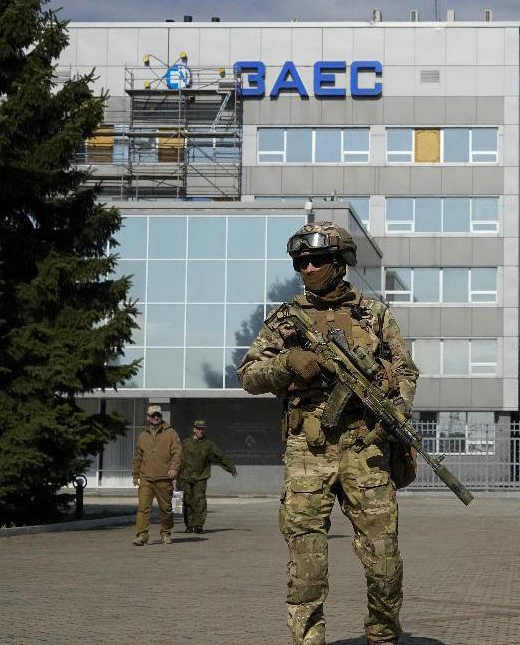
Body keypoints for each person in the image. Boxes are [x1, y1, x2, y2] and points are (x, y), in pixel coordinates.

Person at [237, 221, 419, 645]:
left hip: (367, 446)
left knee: (385, 562)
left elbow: (406, 371)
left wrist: (393, 411)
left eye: (316, 259)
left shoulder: (374, 316)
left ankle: (382, 636)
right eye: (301, 261)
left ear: (340, 263)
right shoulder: (285, 321)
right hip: (308, 451)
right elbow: (248, 374)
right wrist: (287, 364)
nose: (307, 267)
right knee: (307, 565)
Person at [132, 404, 182, 546]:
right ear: (148, 417)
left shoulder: (171, 433)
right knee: (143, 508)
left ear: (161, 417)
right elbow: (137, 457)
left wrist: (174, 468)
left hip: (164, 478)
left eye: (158, 415)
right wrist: (135, 475)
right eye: (153, 415)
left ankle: (166, 532)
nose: (155, 417)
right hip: (146, 478)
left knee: (165, 509)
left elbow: (177, 453)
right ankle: (142, 535)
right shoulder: (143, 436)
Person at [179, 419, 238, 534]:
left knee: (200, 500)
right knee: (188, 500)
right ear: (194, 430)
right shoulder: (186, 443)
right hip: (186, 476)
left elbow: (220, 456)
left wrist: (231, 468)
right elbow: (177, 458)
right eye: (199, 429)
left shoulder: (208, 444)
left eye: (203, 429)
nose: (201, 431)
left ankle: (198, 525)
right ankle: (189, 525)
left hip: (201, 477)